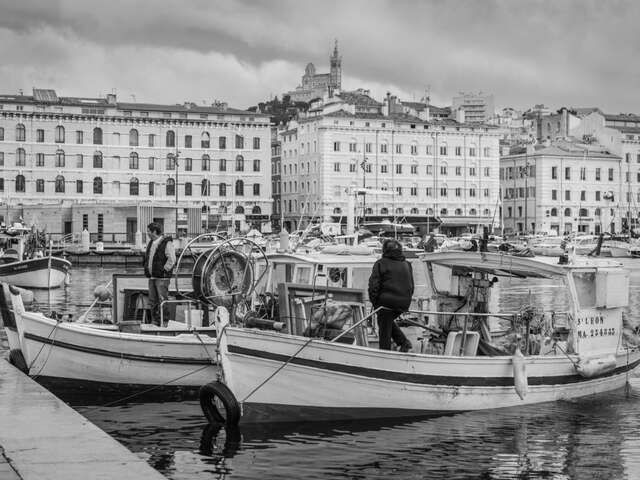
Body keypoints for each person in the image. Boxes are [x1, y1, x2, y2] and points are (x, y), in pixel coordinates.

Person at [368, 239, 414, 352]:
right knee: (386, 321)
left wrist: (375, 303)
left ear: (385, 250)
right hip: (404, 302)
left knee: (384, 327)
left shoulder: (380, 263)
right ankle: (403, 342)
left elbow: (373, 286)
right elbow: (412, 286)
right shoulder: (407, 264)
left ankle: (385, 353)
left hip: (386, 301)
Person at [143, 222, 176, 326]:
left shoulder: (166, 243)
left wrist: (164, 270)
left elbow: (172, 259)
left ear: (154, 232)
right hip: (152, 277)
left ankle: (165, 322)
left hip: (162, 278)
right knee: (152, 300)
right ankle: (155, 321)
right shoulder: (151, 243)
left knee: (162, 300)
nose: (147, 233)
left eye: (148, 231)